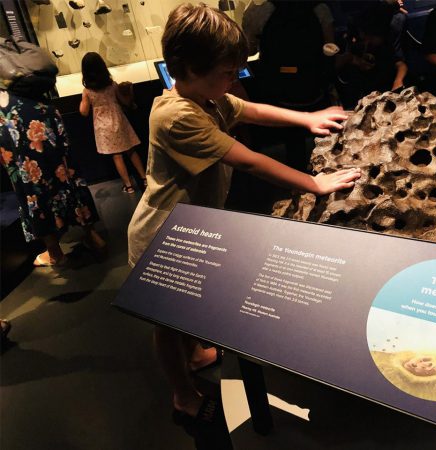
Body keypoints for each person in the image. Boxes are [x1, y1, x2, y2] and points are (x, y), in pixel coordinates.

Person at [127, 3, 361, 425]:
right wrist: (313, 183)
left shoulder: (205, 97)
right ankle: (182, 393)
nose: (234, 80)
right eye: (227, 72)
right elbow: (248, 160)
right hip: (162, 236)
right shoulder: (177, 115)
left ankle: (196, 353)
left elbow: (249, 110)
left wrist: (305, 118)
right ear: (189, 67)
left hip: (194, 228)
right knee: (166, 321)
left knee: (189, 307)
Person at [1, 71, 106, 267]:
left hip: (9, 120)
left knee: (32, 187)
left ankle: (55, 253)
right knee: (68, 174)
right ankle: (92, 237)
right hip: (42, 109)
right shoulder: (24, 73)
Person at [79, 52, 146, 195]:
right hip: (119, 120)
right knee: (131, 150)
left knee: (117, 156)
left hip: (104, 127)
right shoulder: (112, 85)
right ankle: (144, 178)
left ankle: (128, 186)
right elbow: (123, 101)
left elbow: (83, 112)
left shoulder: (87, 91)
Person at [335, 1, 409, 108]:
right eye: (364, 35)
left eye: (371, 37)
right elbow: (346, 57)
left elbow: (401, 64)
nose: (367, 40)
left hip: (386, 80)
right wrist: (356, 60)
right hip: (362, 86)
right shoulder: (356, 26)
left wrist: (398, 82)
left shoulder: (390, 32)